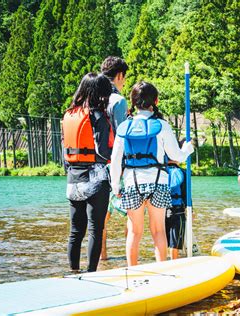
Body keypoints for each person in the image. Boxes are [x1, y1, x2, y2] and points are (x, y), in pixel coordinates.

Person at [109, 81, 194, 266]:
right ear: (155, 100)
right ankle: (162, 271)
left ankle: (132, 272)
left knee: (134, 232)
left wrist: (115, 186)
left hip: (132, 184)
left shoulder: (124, 127)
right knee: (158, 231)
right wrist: (188, 149)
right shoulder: (161, 125)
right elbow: (176, 157)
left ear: (133, 102)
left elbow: (115, 160)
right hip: (158, 184)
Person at [63, 72, 114, 272]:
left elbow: (65, 152)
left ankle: (73, 271)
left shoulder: (69, 114)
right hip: (95, 179)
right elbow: (102, 151)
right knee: (95, 229)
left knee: (75, 231)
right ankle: (92, 272)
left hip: (73, 179)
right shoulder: (99, 116)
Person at [100, 56, 129, 260]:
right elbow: (122, 135)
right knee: (131, 215)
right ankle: (131, 261)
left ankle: (102, 259)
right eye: (124, 78)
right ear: (119, 76)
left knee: (101, 218)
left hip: (95, 164)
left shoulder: (91, 98)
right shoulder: (118, 101)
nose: (124, 82)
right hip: (116, 164)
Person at [165, 159, 187, 259]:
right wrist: (190, 210)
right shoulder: (182, 172)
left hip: (160, 210)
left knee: (161, 239)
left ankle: (161, 263)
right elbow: (186, 194)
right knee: (175, 242)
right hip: (178, 210)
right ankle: (174, 264)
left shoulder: (159, 171)